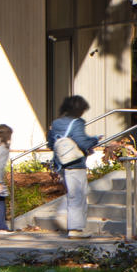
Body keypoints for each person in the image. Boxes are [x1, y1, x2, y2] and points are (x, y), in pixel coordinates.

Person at [48, 95, 98, 239]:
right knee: (78, 195)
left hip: (61, 163)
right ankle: (75, 229)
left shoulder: (56, 122)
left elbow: (51, 143)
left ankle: (64, 214)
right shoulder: (77, 122)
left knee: (72, 192)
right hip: (75, 163)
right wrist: (94, 140)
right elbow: (82, 142)